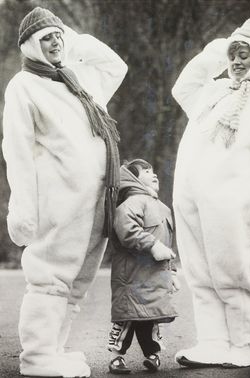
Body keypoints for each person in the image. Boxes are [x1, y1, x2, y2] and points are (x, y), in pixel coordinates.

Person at [2, 7, 127, 378]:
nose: (55, 43)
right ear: (30, 47)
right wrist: (23, 208)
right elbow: (18, 151)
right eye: (47, 39)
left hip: (96, 200)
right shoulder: (23, 86)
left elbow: (115, 66)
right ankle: (37, 357)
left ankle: (54, 350)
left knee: (77, 281)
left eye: (58, 36)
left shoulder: (79, 77)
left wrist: (73, 39)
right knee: (50, 278)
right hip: (58, 201)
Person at [171, 7, 250, 368]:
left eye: (244, 54)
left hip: (236, 202)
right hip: (192, 199)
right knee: (199, 273)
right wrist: (225, 43)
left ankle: (244, 344)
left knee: (233, 272)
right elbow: (184, 84)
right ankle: (212, 342)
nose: (237, 61)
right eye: (233, 54)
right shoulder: (213, 92)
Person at [107, 159, 179, 374]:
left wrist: (172, 271)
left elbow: (169, 243)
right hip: (132, 276)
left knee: (151, 316)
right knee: (128, 318)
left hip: (156, 276)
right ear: (133, 179)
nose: (153, 173)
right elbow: (127, 230)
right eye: (147, 171)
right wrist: (153, 245)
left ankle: (152, 355)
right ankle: (116, 356)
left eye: (153, 170)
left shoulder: (163, 208)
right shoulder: (131, 203)